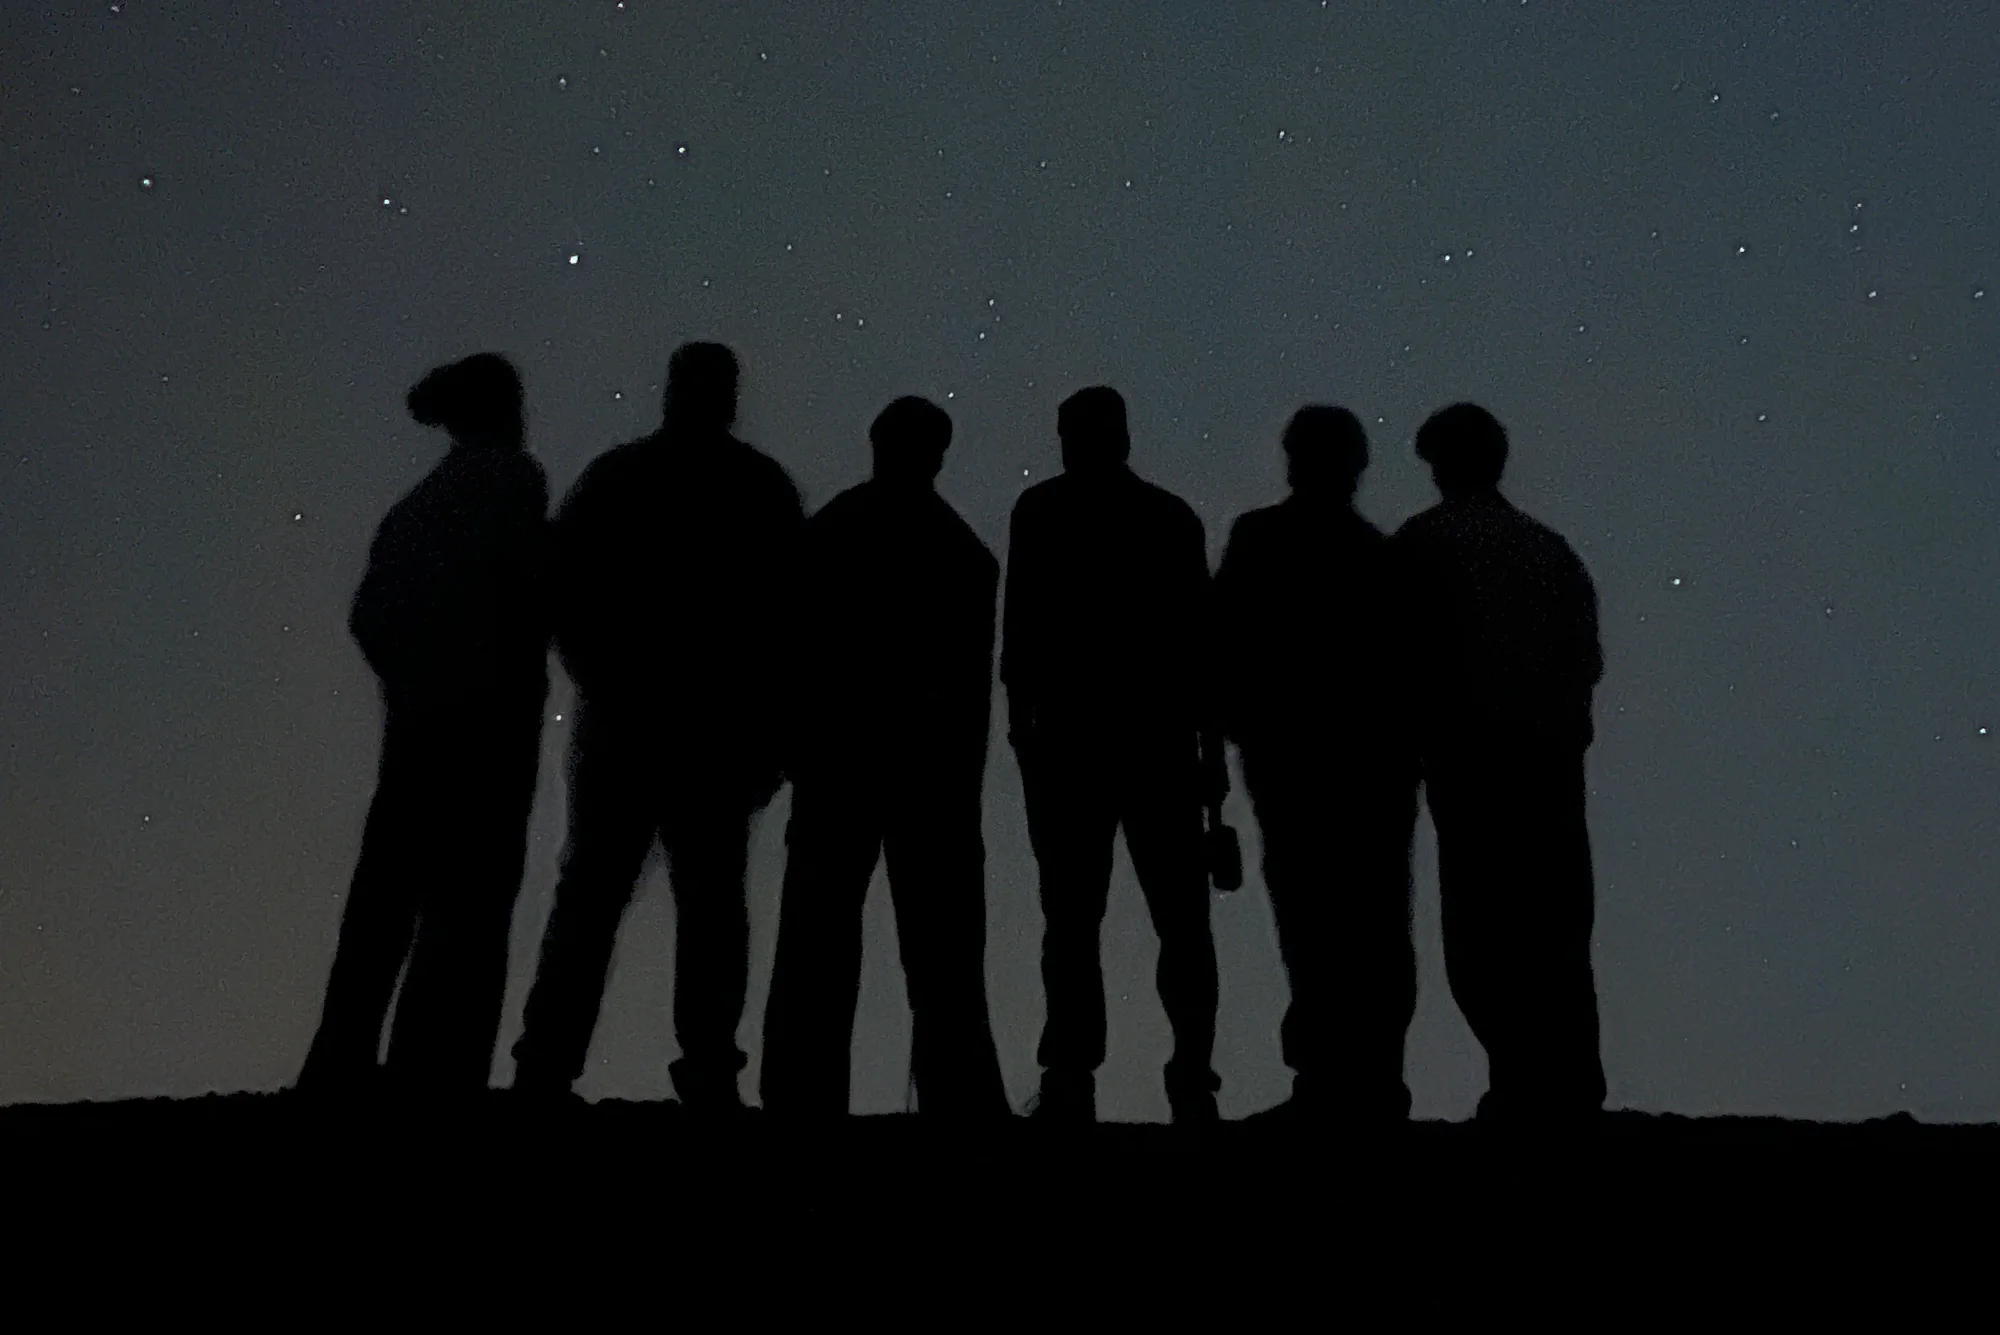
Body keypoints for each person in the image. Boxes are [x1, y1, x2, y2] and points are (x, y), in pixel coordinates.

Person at [511, 342, 804, 1112]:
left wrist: (602, 676)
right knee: (708, 903)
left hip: (628, 725)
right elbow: (790, 625)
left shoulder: (618, 478)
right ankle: (705, 1068)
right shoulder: (758, 488)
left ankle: (546, 1062)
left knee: (595, 894)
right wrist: (773, 737)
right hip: (711, 736)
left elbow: (560, 588)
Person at [298, 352, 551, 1098]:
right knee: (468, 897)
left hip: (418, 723)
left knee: (387, 893)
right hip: (486, 721)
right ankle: (435, 1074)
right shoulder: (512, 479)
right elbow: (525, 585)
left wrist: (411, 682)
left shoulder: (421, 503)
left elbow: (370, 613)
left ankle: (341, 1063)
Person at [760, 397, 1009, 1122]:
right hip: (924, 775)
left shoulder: (832, 533)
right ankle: (957, 1095)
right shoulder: (959, 553)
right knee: (939, 947)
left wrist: (792, 742)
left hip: (840, 764)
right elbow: (967, 694)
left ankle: (802, 1094)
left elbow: (789, 648)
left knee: (820, 933)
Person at [1002, 386, 1228, 1125]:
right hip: (1158, 746)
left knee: (1072, 919)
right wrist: (1211, 757)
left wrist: (1024, 735)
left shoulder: (1042, 512)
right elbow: (1202, 652)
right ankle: (1190, 1077)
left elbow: (1021, 638)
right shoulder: (1170, 518)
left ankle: (1072, 1074)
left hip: (1072, 746)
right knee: (1179, 921)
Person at [1390, 402, 1607, 1122]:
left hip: (1472, 763)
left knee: (1485, 927)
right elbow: (1584, 660)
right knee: (1555, 926)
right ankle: (1568, 1086)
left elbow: (1397, 657)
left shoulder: (1425, 543)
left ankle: (1522, 1079)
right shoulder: (1548, 550)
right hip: (1545, 764)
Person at [1215, 406, 1419, 1124]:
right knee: (1368, 918)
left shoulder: (1263, 537)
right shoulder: (1381, 556)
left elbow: (1222, 643)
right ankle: (1369, 1080)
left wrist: (1228, 731)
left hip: (1297, 760)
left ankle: (1335, 1080)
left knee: (1314, 916)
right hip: (1364, 768)